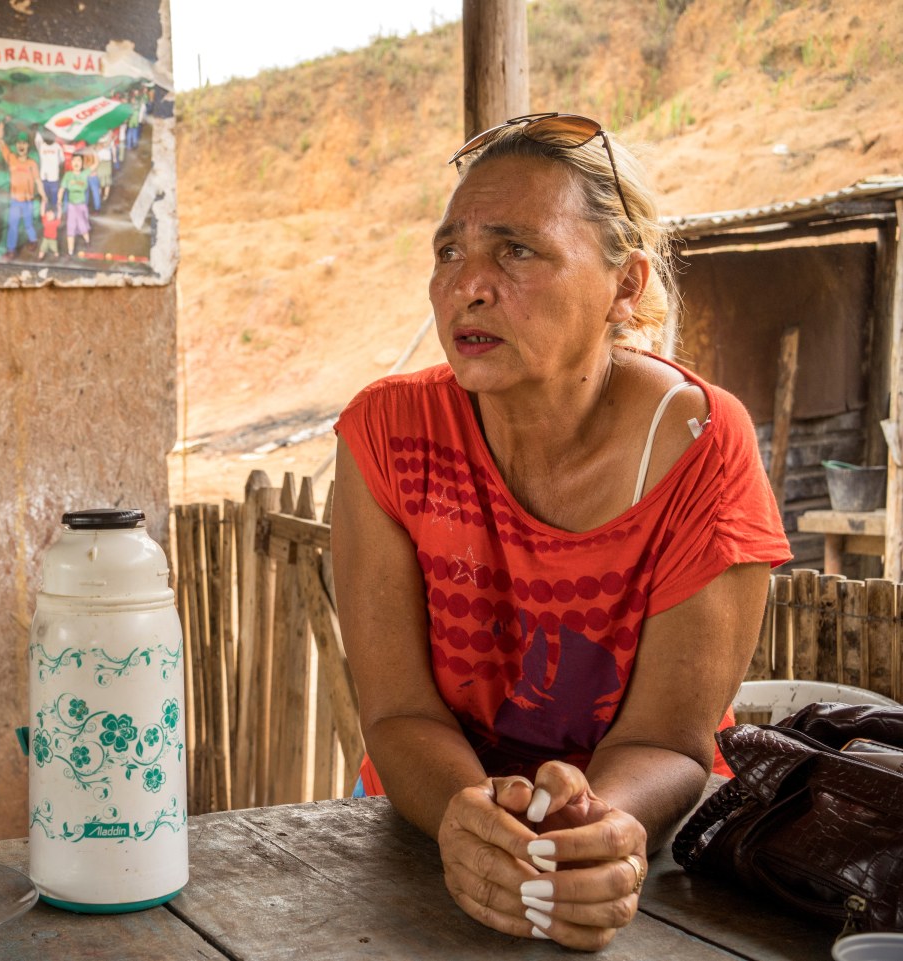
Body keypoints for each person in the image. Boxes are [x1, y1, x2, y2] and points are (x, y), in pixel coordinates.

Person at [330, 113, 791, 952]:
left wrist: (596, 830)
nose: (466, 284)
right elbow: (398, 714)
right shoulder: (388, 437)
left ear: (625, 286)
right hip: (427, 831)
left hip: (640, 857)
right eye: (448, 250)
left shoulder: (701, 450)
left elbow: (669, 741)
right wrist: (472, 824)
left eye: (516, 250)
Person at [0, 121, 43, 261]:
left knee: (28, 224)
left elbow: (38, 181)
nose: (21, 146)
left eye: (24, 143)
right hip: (15, 201)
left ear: (28, 146)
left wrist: (43, 196)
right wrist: (2, 123)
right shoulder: (11, 158)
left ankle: (33, 240)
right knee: (13, 226)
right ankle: (10, 251)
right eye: (19, 143)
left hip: (28, 201)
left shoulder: (32, 163)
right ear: (16, 146)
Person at [60, 152, 91, 255]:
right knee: (71, 226)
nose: (76, 163)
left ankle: (87, 241)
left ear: (82, 163)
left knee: (83, 225)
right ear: (71, 162)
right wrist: (59, 201)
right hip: (71, 205)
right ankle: (70, 251)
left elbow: (96, 164)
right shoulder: (68, 175)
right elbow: (62, 189)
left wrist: (93, 151)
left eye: (79, 160)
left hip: (81, 205)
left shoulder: (84, 174)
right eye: (74, 160)